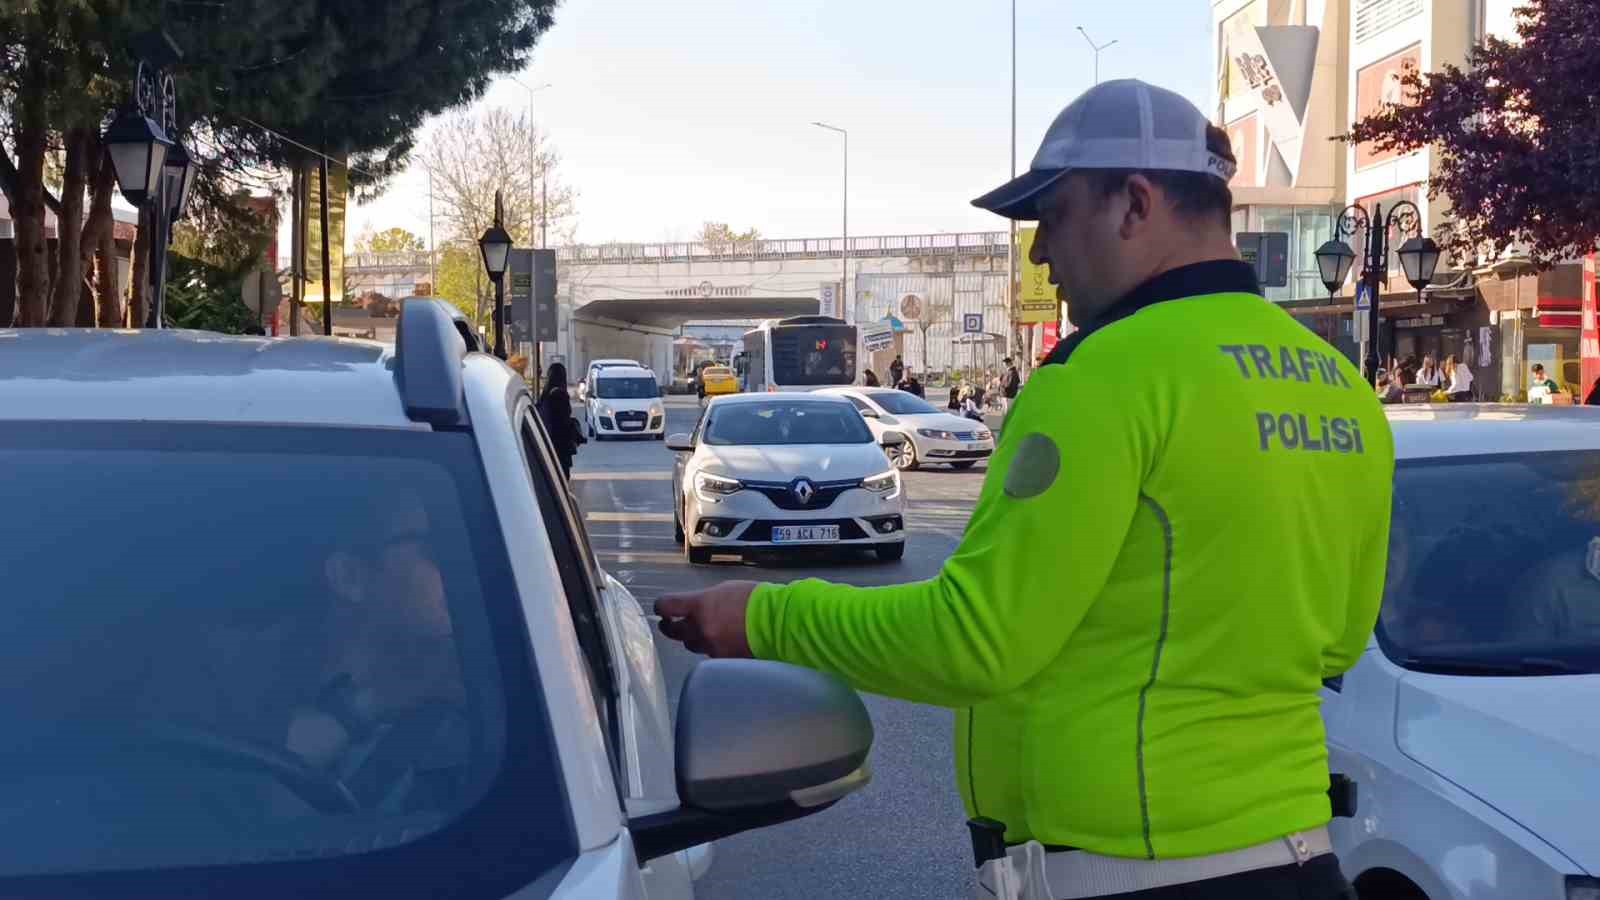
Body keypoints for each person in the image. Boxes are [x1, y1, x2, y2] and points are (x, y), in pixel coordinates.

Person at [655, 80, 1389, 900]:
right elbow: (1339, 641)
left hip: (1133, 873)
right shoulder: (1339, 387)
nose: (1039, 254)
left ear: (1135, 203)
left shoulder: (1104, 374)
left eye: (1053, 215)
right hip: (1300, 859)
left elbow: (975, 639)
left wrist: (762, 617)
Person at [538, 362, 582, 480]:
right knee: (562, 477)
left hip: (548, 442)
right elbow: (564, 420)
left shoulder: (545, 395)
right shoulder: (561, 394)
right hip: (560, 445)